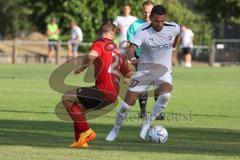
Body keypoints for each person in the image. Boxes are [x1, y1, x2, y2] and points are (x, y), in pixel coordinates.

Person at [106, 5, 180, 141]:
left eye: (162, 21)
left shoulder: (173, 27)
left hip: (163, 71)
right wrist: (133, 59)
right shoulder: (142, 31)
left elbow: (177, 36)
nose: (160, 24)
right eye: (157, 21)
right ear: (151, 18)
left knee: (166, 95)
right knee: (125, 105)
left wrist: (174, 46)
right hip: (144, 70)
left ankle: (147, 124)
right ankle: (115, 130)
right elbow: (131, 49)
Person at [62, 22, 131, 148]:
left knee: (67, 97)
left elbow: (91, 56)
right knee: (79, 110)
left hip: (103, 91)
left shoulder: (100, 43)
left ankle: (87, 131)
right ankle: (81, 142)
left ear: (101, 33)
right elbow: (127, 72)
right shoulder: (118, 51)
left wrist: (83, 67)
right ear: (113, 34)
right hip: (113, 95)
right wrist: (126, 79)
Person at [127, 0, 164, 120]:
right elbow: (131, 44)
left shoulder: (160, 24)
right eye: (145, 12)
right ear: (141, 12)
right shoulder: (135, 25)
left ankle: (158, 112)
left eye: (150, 12)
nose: (147, 15)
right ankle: (143, 112)